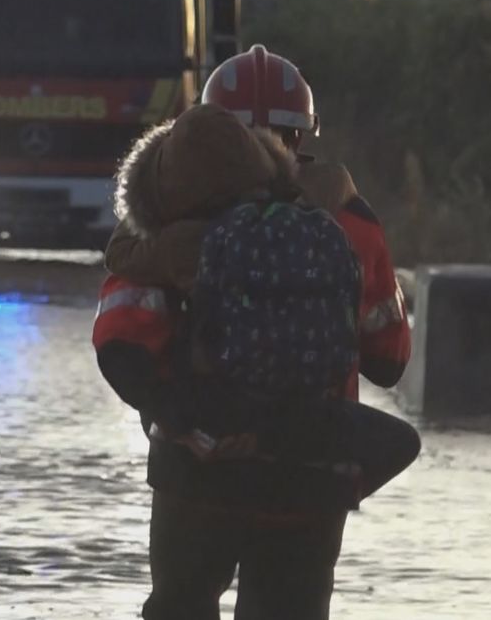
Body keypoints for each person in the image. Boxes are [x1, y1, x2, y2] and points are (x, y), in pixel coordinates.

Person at [95, 45, 416, 620]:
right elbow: (389, 358)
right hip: (310, 473)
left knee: (181, 608)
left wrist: (191, 421)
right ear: (304, 134)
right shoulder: (351, 221)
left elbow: (122, 344)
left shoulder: (166, 224)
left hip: (196, 471)